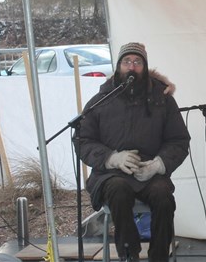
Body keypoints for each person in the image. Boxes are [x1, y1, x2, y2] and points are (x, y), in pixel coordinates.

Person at [74, 42, 190, 262]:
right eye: (126, 62)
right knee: (118, 190)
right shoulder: (102, 100)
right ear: (118, 67)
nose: (132, 66)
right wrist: (111, 158)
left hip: (149, 171)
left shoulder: (162, 99)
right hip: (111, 173)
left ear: (145, 67)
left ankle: (159, 257)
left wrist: (159, 164)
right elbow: (83, 139)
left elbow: (178, 140)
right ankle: (129, 254)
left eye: (137, 62)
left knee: (163, 197)